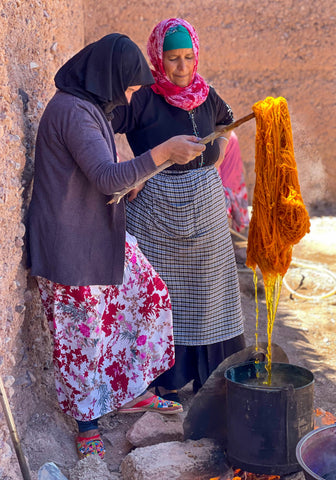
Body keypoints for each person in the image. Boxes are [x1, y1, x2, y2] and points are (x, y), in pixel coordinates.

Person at [26, 33, 206, 460]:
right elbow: (106, 177)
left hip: (97, 233)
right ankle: (86, 423)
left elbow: (102, 176)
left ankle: (129, 391)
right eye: (125, 86)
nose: (127, 95)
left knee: (148, 295)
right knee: (81, 336)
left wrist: (135, 178)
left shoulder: (89, 108)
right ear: (106, 77)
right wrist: (162, 153)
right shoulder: (72, 111)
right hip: (69, 244)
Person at [112, 19, 246, 403]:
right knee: (159, 294)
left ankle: (214, 382)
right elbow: (103, 128)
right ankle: (161, 382)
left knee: (210, 292)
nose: (183, 67)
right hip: (154, 211)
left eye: (188, 57)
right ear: (158, 57)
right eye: (173, 59)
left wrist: (213, 152)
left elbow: (226, 127)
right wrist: (129, 170)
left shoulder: (207, 95)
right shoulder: (141, 98)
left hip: (204, 208)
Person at [218, 131, 249, 233]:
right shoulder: (229, 133)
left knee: (225, 217)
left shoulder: (220, 138)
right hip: (235, 176)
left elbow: (216, 166)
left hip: (227, 180)